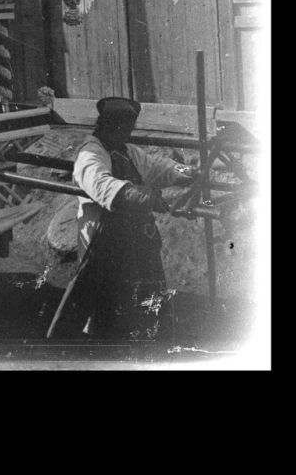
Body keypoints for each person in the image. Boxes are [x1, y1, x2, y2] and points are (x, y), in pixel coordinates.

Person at [54, 96, 195, 341]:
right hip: (103, 240)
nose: (124, 133)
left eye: (128, 128)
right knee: (106, 304)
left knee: (144, 299)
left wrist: (188, 172)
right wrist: (145, 197)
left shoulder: (127, 151)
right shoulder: (90, 153)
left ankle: (144, 338)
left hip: (135, 238)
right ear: (106, 125)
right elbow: (102, 186)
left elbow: (158, 166)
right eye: (119, 127)